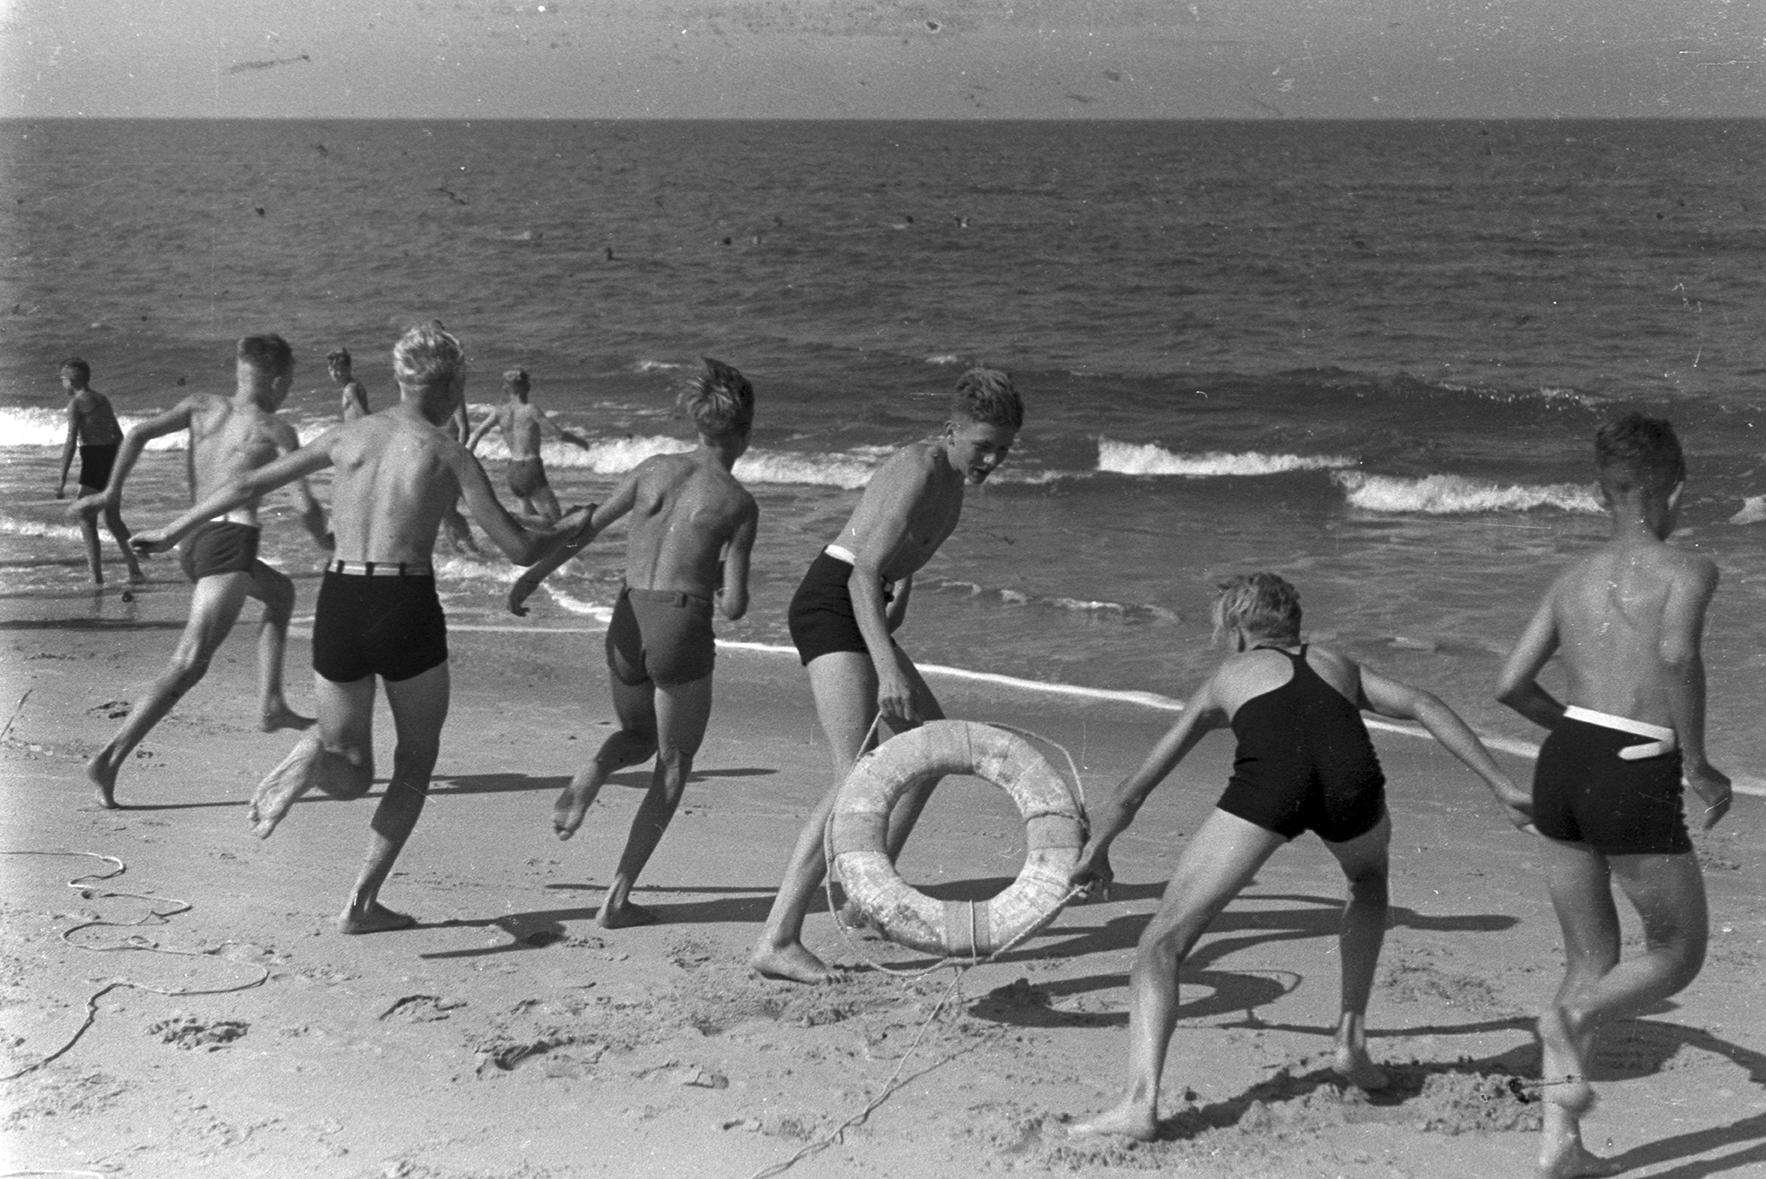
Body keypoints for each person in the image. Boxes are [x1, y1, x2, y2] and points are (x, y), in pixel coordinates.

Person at [131, 322, 592, 934]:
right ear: (454, 384)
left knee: (351, 768)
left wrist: (171, 530)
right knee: (413, 764)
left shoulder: (346, 436)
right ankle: (361, 905)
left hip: (341, 598)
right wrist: (570, 529)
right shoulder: (449, 453)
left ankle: (313, 759)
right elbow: (514, 548)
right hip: (404, 602)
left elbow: (244, 484)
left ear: (399, 379)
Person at [1068, 573, 1531, 1142]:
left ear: (1237, 630)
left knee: (1163, 943)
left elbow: (1136, 788)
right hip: (1351, 783)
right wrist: (1501, 785)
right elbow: (1425, 704)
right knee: (1366, 879)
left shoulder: (1228, 676)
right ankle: (1352, 1042)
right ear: (1294, 624)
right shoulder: (1338, 664)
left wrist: (1097, 849)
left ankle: (1140, 1104)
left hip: (1273, 787)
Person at [1495, 413, 1730, 1179]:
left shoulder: (1572, 578)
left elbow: (1510, 685)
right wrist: (1697, 762)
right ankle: (1571, 1021)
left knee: (1590, 957)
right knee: (1676, 950)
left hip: (1563, 760)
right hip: (1635, 762)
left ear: (1603, 492)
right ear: (1673, 489)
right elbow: (1675, 654)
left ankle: (1559, 1149)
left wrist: (1577, 735)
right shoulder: (1687, 569)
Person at [750, 367, 1022, 983]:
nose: (994, 459)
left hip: (861, 610)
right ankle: (778, 938)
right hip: (830, 605)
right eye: (984, 446)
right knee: (856, 778)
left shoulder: (951, 480)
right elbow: (857, 571)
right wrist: (885, 665)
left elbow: (889, 558)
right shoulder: (920, 466)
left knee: (927, 752)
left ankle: (866, 899)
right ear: (952, 431)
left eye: (1004, 449)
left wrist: (897, 600)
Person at [510, 358, 759, 929]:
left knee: (636, 735)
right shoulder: (739, 503)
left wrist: (531, 577)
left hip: (626, 618)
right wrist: (717, 575)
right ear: (745, 433)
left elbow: (586, 526)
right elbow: (736, 606)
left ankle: (594, 771)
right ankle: (617, 898)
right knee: (672, 765)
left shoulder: (652, 469)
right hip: (679, 622)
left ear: (697, 425)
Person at [74, 335, 329, 807]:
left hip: (193, 541)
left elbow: (135, 435)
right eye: (288, 383)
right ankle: (109, 758)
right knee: (189, 662)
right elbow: (306, 505)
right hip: (230, 542)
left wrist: (111, 495)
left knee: (280, 594)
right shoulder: (275, 429)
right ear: (276, 381)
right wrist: (329, 545)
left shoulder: (200, 405)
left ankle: (271, 705)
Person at [56, 358, 145, 586]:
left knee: (86, 519)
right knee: (113, 520)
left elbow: (70, 442)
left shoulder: (76, 404)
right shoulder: (102, 399)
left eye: (62, 379)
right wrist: (119, 467)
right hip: (112, 458)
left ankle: (96, 578)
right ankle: (135, 571)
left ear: (72, 380)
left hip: (94, 461)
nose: (62, 384)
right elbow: (119, 435)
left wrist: (62, 478)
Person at [466, 367, 592, 522]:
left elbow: (478, 432)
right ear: (525, 387)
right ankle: (514, 518)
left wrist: (466, 455)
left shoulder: (500, 412)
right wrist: (581, 442)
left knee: (532, 522)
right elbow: (558, 434)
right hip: (530, 468)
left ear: (507, 389)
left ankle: (518, 519)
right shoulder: (530, 409)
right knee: (554, 521)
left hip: (513, 471)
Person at [328, 347, 370, 421]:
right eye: (331, 369)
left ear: (348, 368)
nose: (334, 374)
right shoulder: (355, 385)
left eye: (338, 369)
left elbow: (360, 411)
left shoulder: (350, 389)